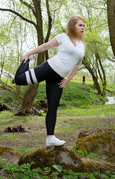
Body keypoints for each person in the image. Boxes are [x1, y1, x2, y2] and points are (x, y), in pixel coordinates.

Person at [14, 15, 86, 146]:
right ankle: (26, 59)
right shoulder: (63, 37)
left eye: (84, 26)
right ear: (72, 26)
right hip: (49, 68)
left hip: (58, 78)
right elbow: (45, 47)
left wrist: (68, 80)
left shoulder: (82, 45)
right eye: (80, 25)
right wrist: (29, 53)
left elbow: (77, 64)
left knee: (53, 107)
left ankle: (50, 138)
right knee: (19, 80)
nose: (83, 28)